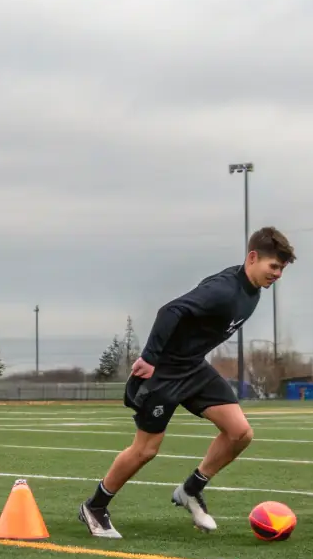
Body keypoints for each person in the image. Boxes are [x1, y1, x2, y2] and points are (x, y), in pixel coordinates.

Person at [79, 227, 296, 539]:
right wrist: (151, 358)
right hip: (164, 372)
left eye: (281, 269)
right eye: (273, 267)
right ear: (252, 258)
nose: (277, 274)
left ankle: (191, 490)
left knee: (240, 433)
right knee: (145, 450)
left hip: (193, 369)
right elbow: (171, 310)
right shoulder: (224, 289)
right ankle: (95, 507)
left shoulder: (254, 291)